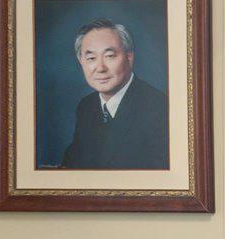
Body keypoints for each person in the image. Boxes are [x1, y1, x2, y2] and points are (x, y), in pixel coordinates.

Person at [59, 19, 168, 169]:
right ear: (81, 61)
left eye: (109, 56)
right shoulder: (86, 106)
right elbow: (72, 164)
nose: (100, 68)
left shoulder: (159, 107)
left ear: (129, 57)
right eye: (91, 58)